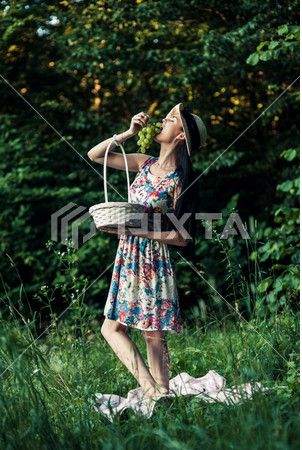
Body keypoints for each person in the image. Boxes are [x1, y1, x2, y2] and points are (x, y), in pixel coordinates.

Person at [87, 102, 207, 412]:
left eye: (170, 120)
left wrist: (139, 231)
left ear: (181, 136)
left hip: (154, 256)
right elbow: (95, 156)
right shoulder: (143, 162)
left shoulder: (180, 181)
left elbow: (182, 236)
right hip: (128, 256)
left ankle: (161, 394)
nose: (162, 121)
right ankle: (153, 390)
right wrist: (128, 132)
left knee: (153, 332)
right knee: (111, 328)